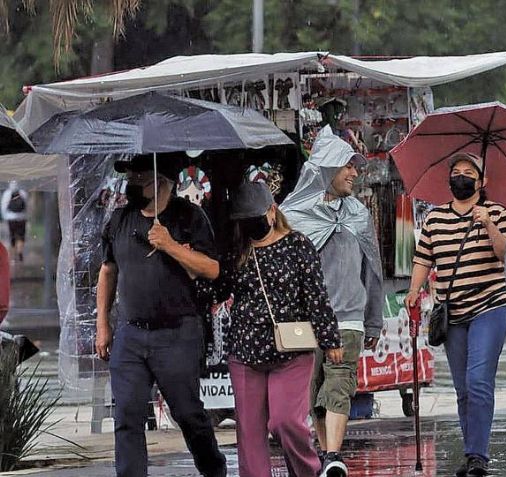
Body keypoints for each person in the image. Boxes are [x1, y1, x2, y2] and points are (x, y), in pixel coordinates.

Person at [95, 155, 226, 477]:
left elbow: (212, 269)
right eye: (130, 177)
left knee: (188, 413)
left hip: (178, 334)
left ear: (162, 181)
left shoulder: (189, 217)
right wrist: (102, 325)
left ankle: (214, 470)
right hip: (130, 333)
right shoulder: (120, 219)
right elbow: (108, 271)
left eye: (139, 176)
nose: (132, 183)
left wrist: (169, 244)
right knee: (127, 414)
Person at [219, 181, 342, 477]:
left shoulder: (297, 244)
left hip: (291, 351)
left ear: (272, 211)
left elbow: (315, 295)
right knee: (249, 433)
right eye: (245, 220)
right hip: (245, 351)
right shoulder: (237, 250)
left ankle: (308, 471)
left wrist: (330, 339)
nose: (251, 224)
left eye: (256, 216)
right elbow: (218, 288)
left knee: (285, 422)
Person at [282, 126, 384, 477]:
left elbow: (372, 269)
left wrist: (373, 320)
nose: (354, 173)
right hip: (304, 322)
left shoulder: (358, 214)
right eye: (347, 166)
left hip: (349, 319)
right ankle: (325, 455)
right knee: (312, 394)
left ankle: (333, 454)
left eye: (355, 167)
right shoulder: (293, 216)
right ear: (326, 168)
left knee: (339, 386)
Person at [404, 152, 506, 477]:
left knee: (478, 381)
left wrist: (488, 223)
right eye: (456, 172)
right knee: (463, 388)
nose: (461, 177)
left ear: (482, 181)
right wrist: (414, 290)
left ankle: (479, 456)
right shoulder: (435, 219)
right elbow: (424, 258)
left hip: (490, 307)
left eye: (469, 172)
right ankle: (471, 451)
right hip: (452, 314)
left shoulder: (497, 212)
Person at [1, 181, 28, 262]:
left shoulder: (7, 193)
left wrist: (5, 216)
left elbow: (3, 206)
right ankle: (20, 252)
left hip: (11, 218)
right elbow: (26, 206)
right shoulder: (23, 192)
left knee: (12, 236)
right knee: (21, 236)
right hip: (21, 218)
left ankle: (13, 256)